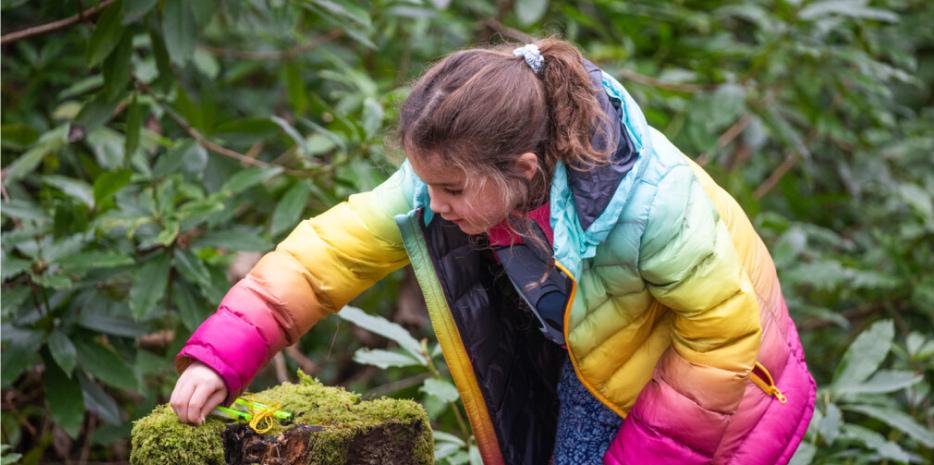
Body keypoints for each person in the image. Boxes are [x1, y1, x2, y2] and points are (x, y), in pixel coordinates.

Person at [170, 38, 816, 465]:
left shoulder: (652, 207)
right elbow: (328, 253)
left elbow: (723, 338)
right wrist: (222, 357)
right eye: (425, 183)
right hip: (595, 355)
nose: (433, 202)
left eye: (448, 189)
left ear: (521, 168)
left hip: (717, 385)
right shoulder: (449, 177)